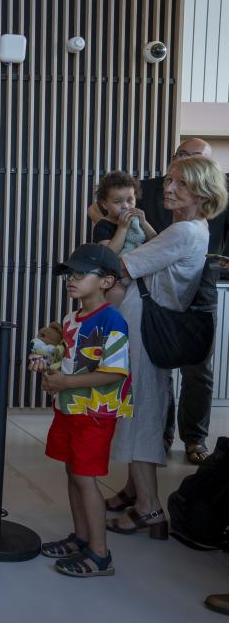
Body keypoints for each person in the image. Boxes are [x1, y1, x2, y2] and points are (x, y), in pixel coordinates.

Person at [106, 155, 228, 535]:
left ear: (201, 192)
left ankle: (149, 508)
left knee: (138, 411)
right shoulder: (194, 228)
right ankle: (132, 489)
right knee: (145, 404)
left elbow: (117, 268)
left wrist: (105, 236)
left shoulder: (183, 233)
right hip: (152, 324)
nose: (169, 189)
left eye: (181, 184)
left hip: (144, 326)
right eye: (170, 180)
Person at [32, 244, 131, 577]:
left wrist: (65, 383)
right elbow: (64, 359)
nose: (71, 279)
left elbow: (114, 372)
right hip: (69, 410)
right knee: (73, 472)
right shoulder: (70, 319)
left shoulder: (112, 320)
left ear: (105, 281)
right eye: (69, 274)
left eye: (80, 273)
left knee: (85, 478)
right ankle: (82, 538)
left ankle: (100, 554)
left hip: (94, 415)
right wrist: (48, 370)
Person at [136, 138, 229, 464]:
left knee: (197, 369)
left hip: (201, 291)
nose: (172, 187)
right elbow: (114, 209)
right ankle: (160, 435)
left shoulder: (214, 200)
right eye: (180, 156)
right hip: (160, 291)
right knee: (158, 368)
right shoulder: (149, 189)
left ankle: (195, 438)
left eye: (194, 158)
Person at [92, 171, 157, 307]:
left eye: (130, 200)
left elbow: (156, 242)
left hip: (139, 272)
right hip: (115, 277)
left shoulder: (137, 220)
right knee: (116, 293)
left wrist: (144, 222)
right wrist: (122, 229)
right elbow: (109, 254)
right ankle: (112, 323)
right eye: (117, 202)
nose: (125, 206)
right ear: (104, 204)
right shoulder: (103, 226)